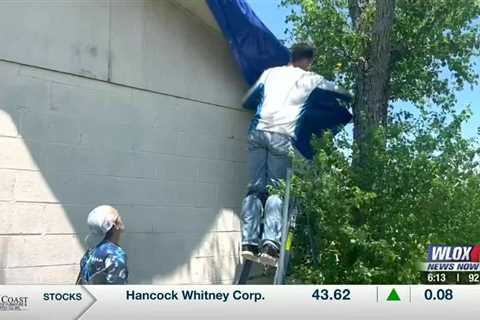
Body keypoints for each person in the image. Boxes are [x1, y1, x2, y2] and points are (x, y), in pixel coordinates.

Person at [240, 43, 349, 265]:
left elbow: (247, 100)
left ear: (292, 56)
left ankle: (248, 243)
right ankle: (270, 246)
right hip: (282, 136)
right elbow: (344, 93)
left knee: (254, 189)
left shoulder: (270, 73)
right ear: (309, 61)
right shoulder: (312, 79)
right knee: (276, 190)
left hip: (257, 132)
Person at [76, 205, 128, 284]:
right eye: (119, 216)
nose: (121, 218)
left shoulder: (91, 251)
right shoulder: (115, 254)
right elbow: (117, 291)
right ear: (115, 224)